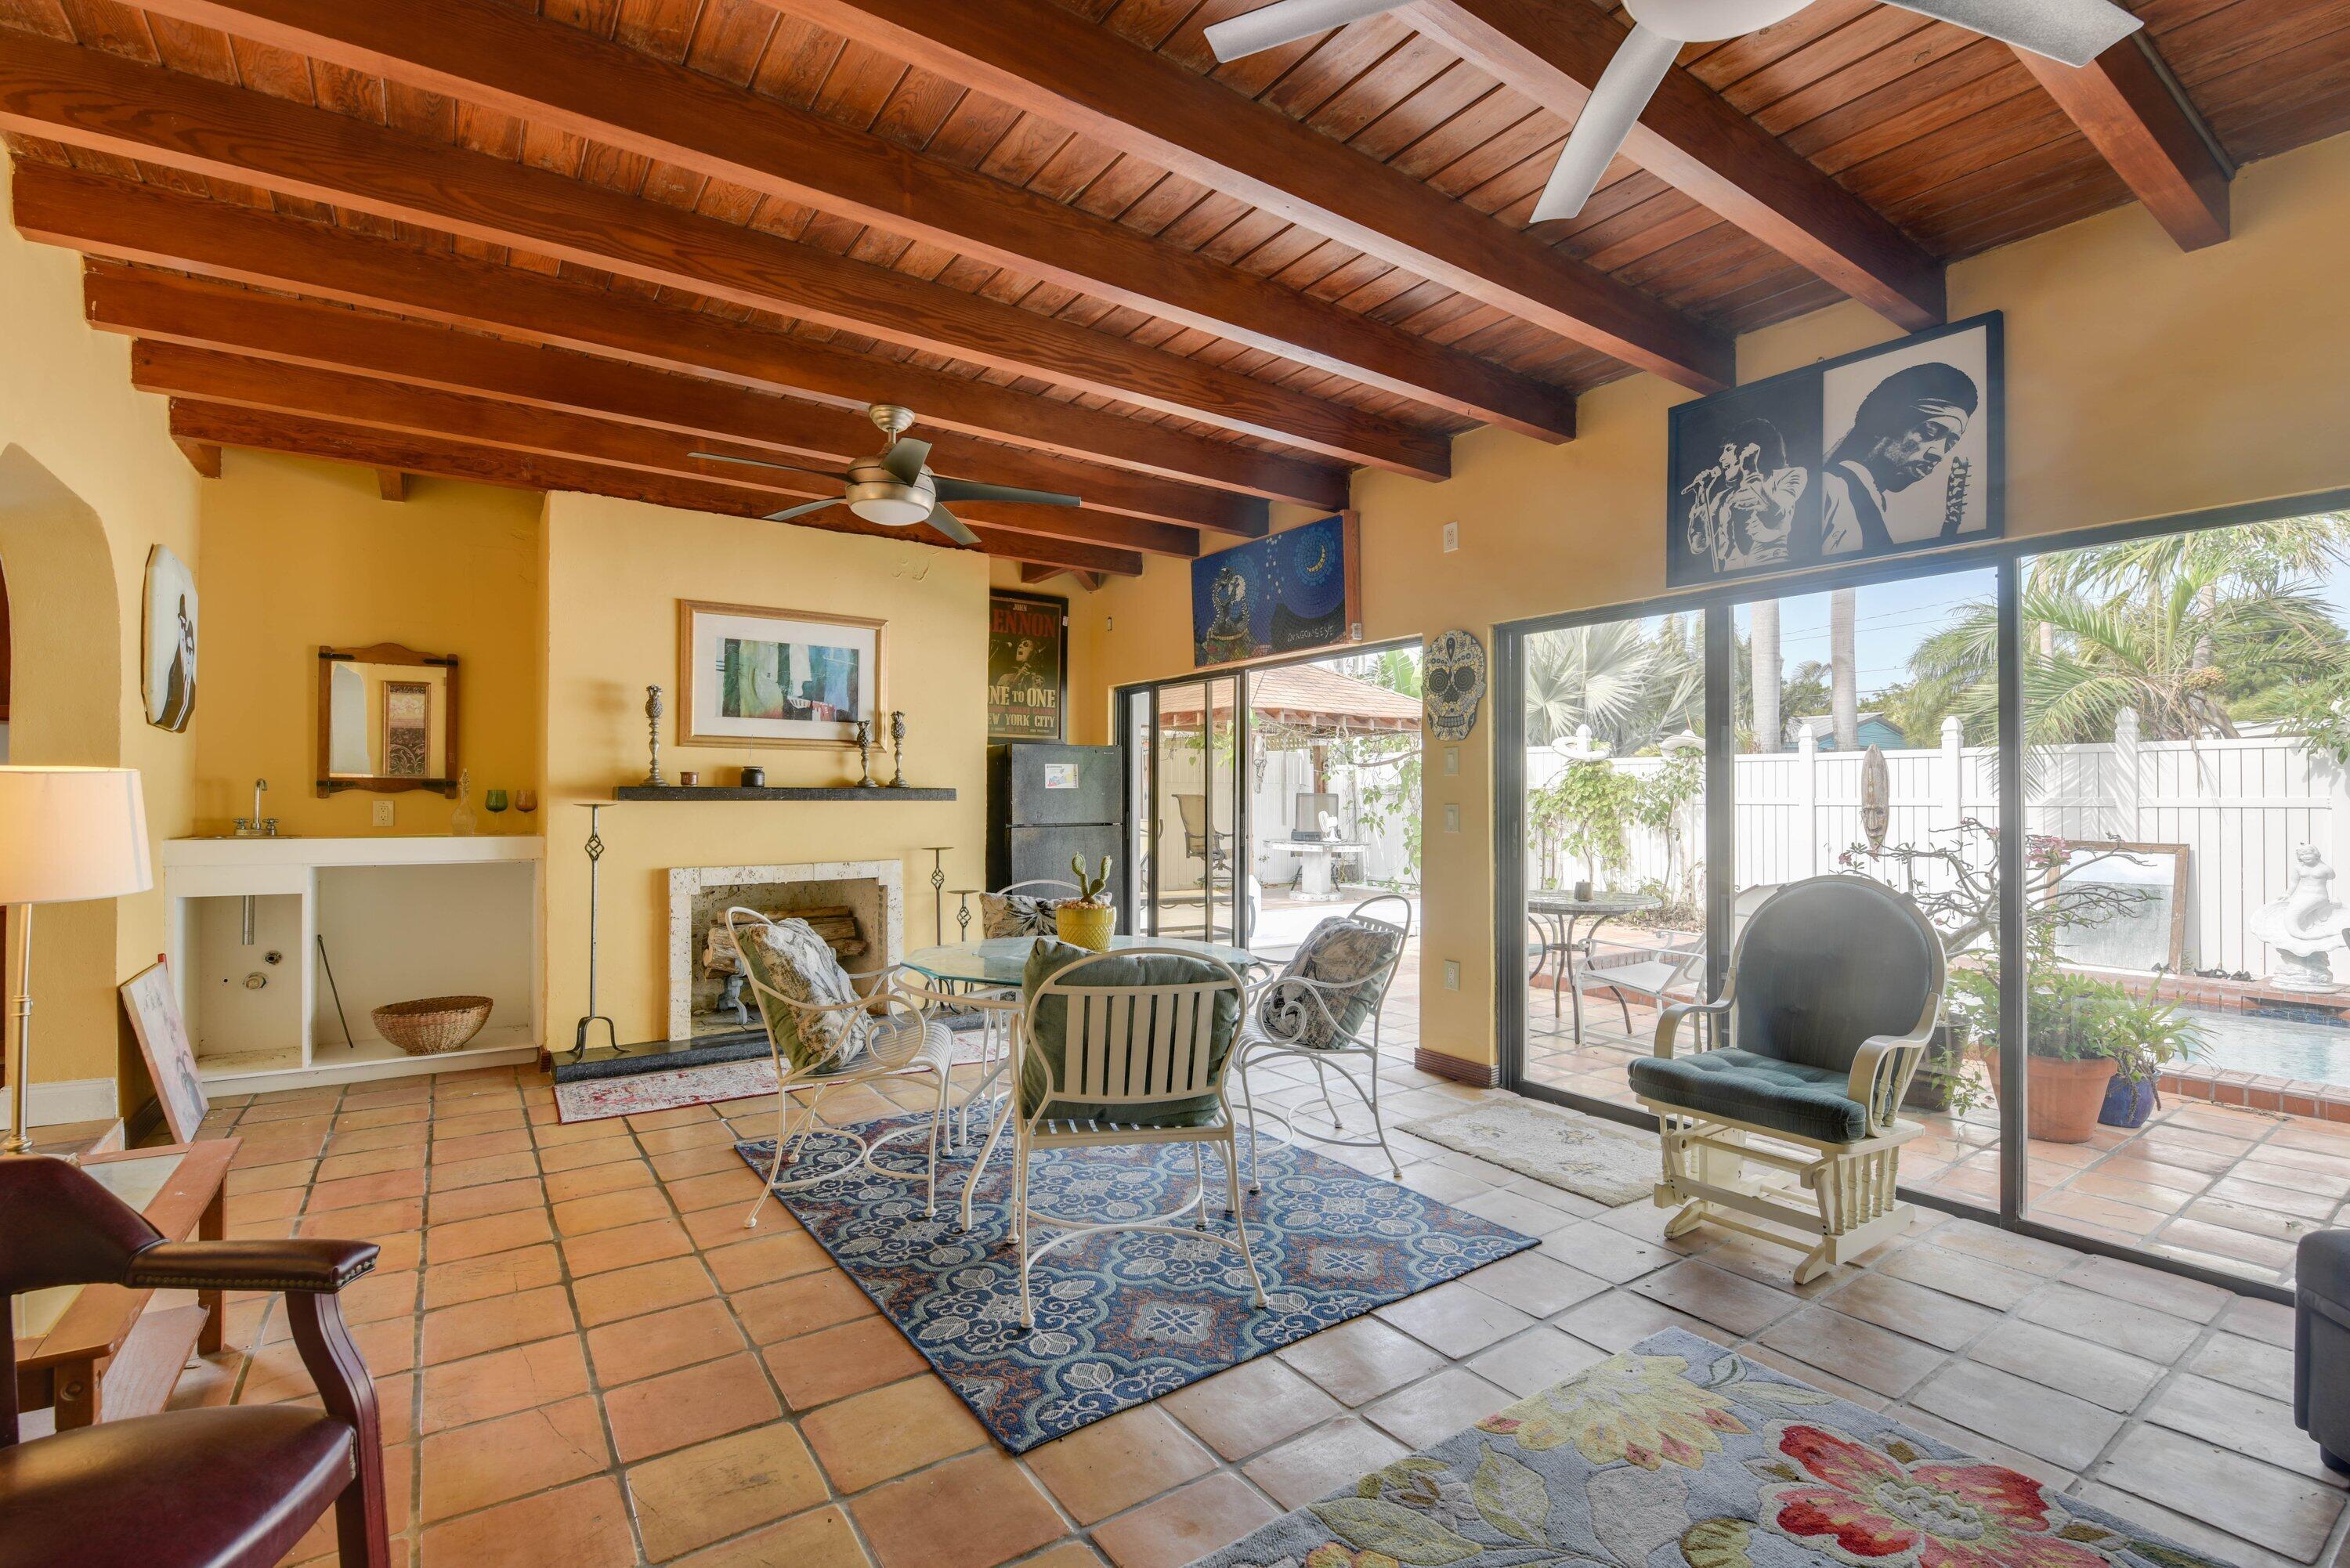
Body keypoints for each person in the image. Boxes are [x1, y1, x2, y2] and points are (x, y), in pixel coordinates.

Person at [1818, 361, 1979, 556]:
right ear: (1883, 422)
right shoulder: (1832, 489)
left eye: (1950, 444)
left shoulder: (1867, 499)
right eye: (1930, 432)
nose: (1939, 452)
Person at [1683, 417, 1809, 574]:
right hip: (1731, 584)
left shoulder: (1788, 476)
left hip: (1772, 573)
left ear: (1750, 448)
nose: (1721, 459)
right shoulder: (1724, 497)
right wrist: (1701, 496)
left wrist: (1750, 471)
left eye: (1728, 450)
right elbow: (1698, 545)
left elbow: (1774, 515)